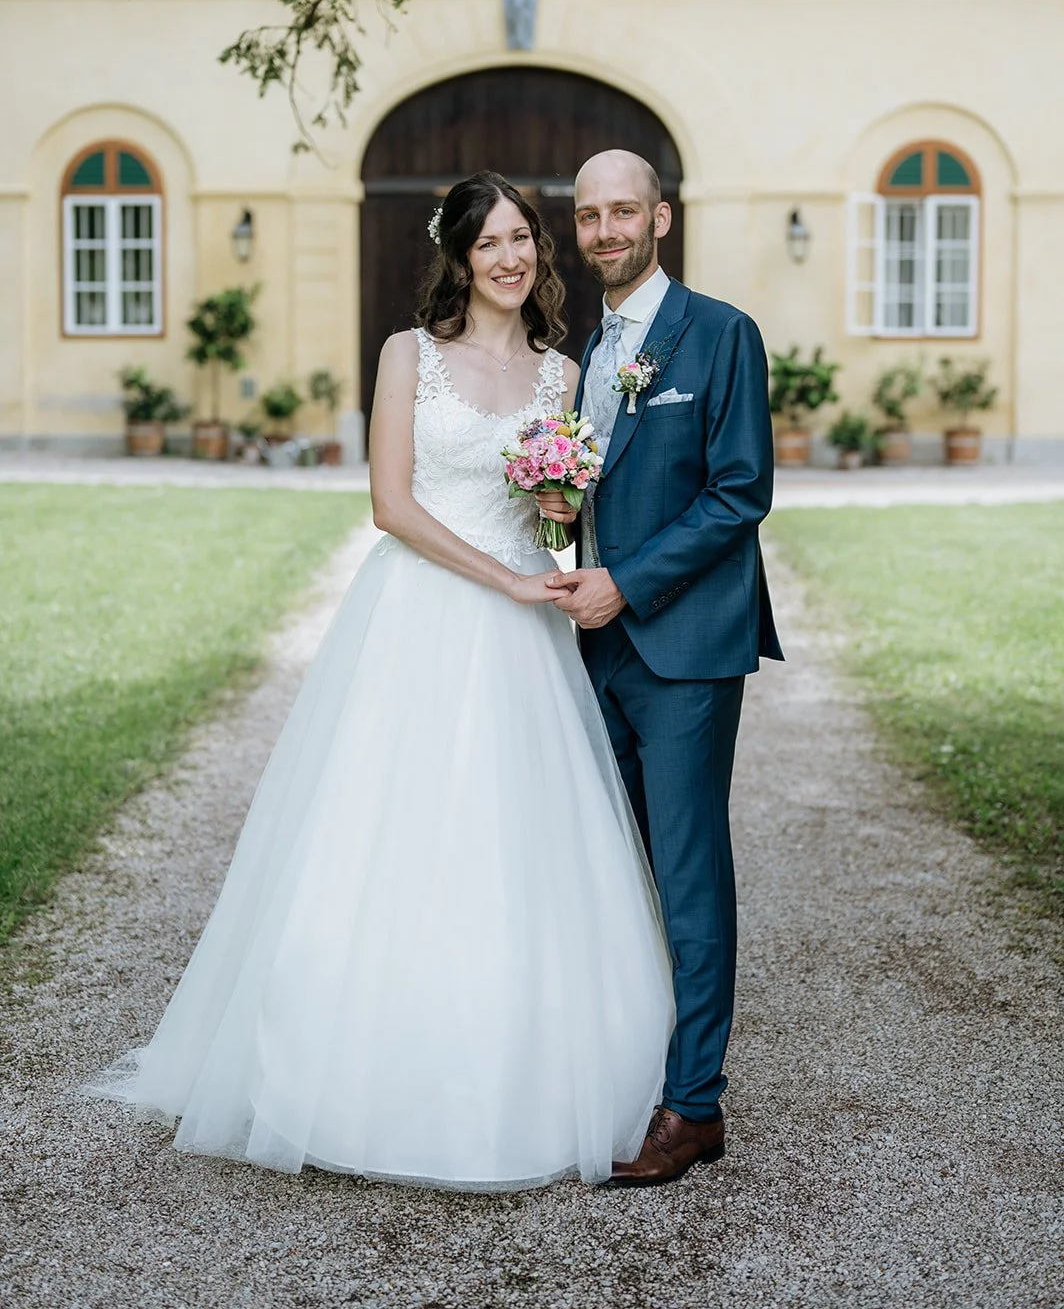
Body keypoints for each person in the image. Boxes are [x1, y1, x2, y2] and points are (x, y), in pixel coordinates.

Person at [91, 171, 674, 1191]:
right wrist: (505, 576)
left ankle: (525, 1056)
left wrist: (555, 547)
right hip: (420, 615)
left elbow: (565, 502)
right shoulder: (408, 356)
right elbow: (390, 505)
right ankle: (348, 1060)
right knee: (386, 827)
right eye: (489, 242)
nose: (510, 257)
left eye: (523, 240)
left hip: (524, 639)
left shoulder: (559, 372)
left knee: (517, 835)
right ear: (459, 255)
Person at [539, 148, 783, 1187]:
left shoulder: (720, 334)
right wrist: (555, 529)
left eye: (621, 212)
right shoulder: (581, 350)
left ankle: (693, 1108)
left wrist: (623, 585)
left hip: (680, 651)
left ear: (661, 218)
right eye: (588, 216)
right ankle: (622, 1065)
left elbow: (737, 495)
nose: (603, 231)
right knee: (602, 874)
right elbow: (587, 490)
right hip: (586, 648)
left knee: (685, 877)